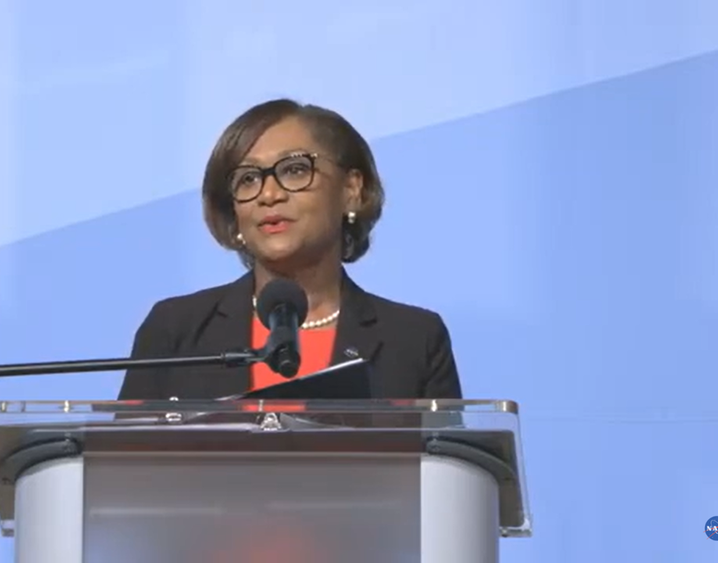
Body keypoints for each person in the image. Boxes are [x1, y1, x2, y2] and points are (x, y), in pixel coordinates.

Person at [118, 98, 462, 401]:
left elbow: (447, 471)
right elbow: (121, 468)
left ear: (351, 190)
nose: (269, 194)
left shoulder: (414, 340)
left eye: (295, 170)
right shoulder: (176, 330)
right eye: (248, 179)